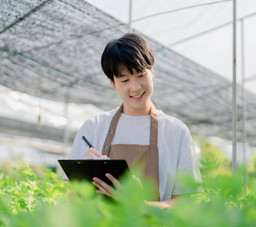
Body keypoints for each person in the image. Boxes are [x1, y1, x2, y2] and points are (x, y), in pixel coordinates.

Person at [66, 33, 203, 208]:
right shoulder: (93, 128)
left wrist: (141, 205)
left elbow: (186, 205)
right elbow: (73, 201)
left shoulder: (176, 131)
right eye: (124, 80)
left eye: (140, 75)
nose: (135, 87)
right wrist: (80, 173)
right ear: (112, 83)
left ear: (152, 71)